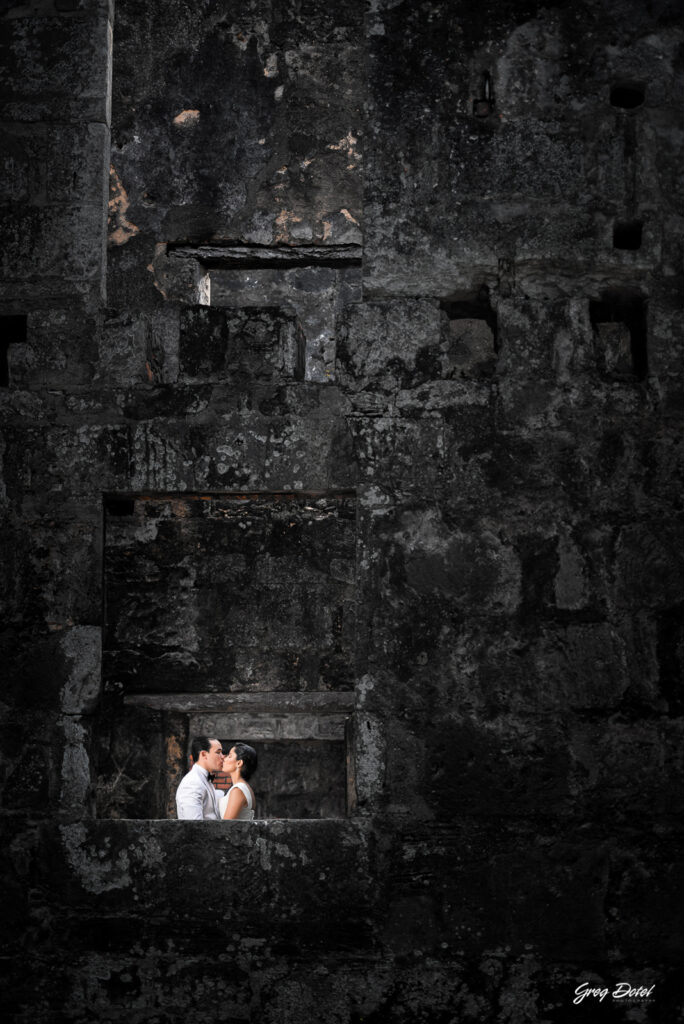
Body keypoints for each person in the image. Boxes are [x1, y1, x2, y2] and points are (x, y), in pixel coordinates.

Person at [175, 736, 224, 820]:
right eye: (218, 752)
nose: (222, 756)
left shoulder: (204, 778)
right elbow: (194, 826)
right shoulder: (192, 783)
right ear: (204, 754)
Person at [219, 742, 257, 820]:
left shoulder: (238, 790)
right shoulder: (244, 787)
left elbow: (226, 825)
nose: (224, 759)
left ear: (239, 763)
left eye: (229, 756)